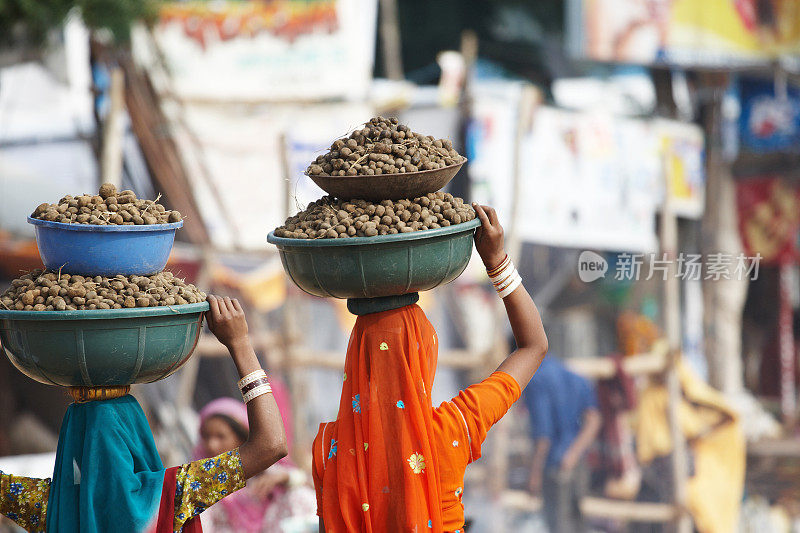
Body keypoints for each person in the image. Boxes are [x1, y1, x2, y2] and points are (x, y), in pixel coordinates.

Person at [311, 204, 548, 532]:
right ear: (423, 356)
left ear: (356, 360)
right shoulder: (452, 428)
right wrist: (496, 262)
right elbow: (534, 346)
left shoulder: (329, 449)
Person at [0, 295, 288, 532]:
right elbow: (271, 445)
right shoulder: (172, 496)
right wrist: (239, 343)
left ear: (75, 440)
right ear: (135, 437)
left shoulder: (50, 505)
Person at [197, 393, 317, 532]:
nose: (212, 445)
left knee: (299, 495)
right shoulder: (201, 481)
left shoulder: (263, 471)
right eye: (206, 437)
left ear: (242, 438)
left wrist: (286, 478)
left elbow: (314, 487)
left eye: (221, 436)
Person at [525, 356, 602, 533]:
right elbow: (594, 419)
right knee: (577, 525)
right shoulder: (573, 376)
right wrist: (574, 454)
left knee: (558, 525)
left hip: (554, 466)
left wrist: (534, 474)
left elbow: (543, 436)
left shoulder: (536, 379)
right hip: (578, 466)